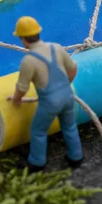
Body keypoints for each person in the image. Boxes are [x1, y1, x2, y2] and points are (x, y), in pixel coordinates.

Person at [10, 16, 83, 172]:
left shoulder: (28, 61)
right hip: (68, 95)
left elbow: (22, 87)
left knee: (38, 131)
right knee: (70, 127)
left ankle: (37, 162)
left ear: (23, 39)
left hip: (50, 102)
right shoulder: (56, 47)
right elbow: (73, 69)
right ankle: (76, 157)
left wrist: (16, 99)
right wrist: (65, 86)